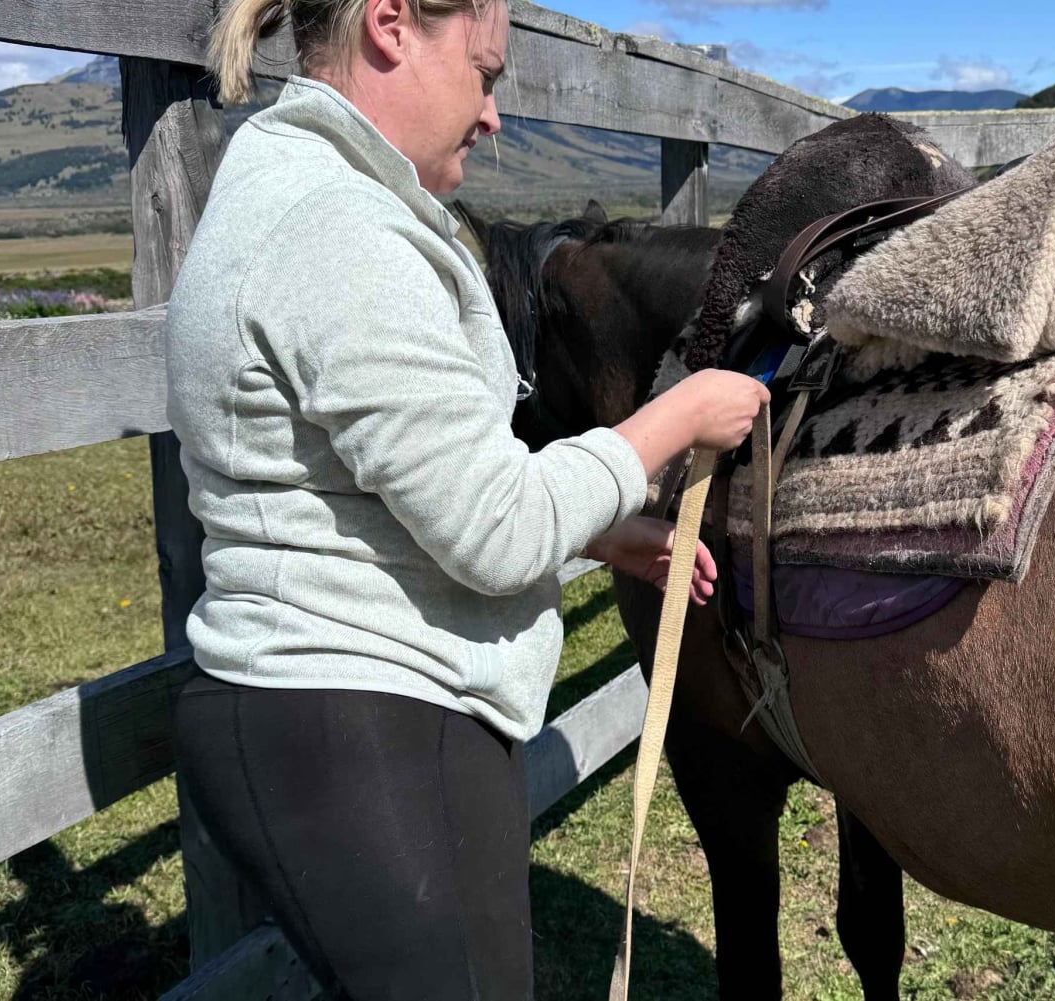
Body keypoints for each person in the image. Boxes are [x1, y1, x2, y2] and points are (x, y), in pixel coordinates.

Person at [165, 0, 768, 997]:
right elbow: (494, 526)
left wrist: (600, 528)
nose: (493, 117)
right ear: (391, 26)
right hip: (365, 722)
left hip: (344, 711)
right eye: (486, 74)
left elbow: (397, 483)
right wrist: (678, 414)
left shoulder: (300, 192)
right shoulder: (339, 230)